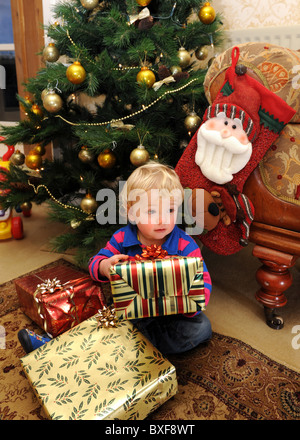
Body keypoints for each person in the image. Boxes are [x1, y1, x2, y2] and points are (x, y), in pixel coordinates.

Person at [89, 161, 212, 355]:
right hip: (132, 311)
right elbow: (95, 263)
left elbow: (203, 281)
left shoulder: (185, 244)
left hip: (173, 314)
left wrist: (191, 304)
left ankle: (134, 346)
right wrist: (105, 266)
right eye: (152, 211)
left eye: (170, 210)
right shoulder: (122, 238)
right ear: (132, 212)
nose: (162, 219)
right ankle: (132, 344)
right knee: (102, 315)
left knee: (202, 327)